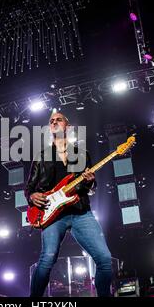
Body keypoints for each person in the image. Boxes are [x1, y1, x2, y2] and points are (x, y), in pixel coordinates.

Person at [26, 112, 112, 297]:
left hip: (80, 212)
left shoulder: (81, 154)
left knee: (105, 260)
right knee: (47, 259)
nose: (54, 122)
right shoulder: (41, 157)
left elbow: (89, 186)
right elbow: (29, 189)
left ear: (68, 126)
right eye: (51, 121)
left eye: (59, 119)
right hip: (52, 213)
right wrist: (33, 196)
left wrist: (89, 180)